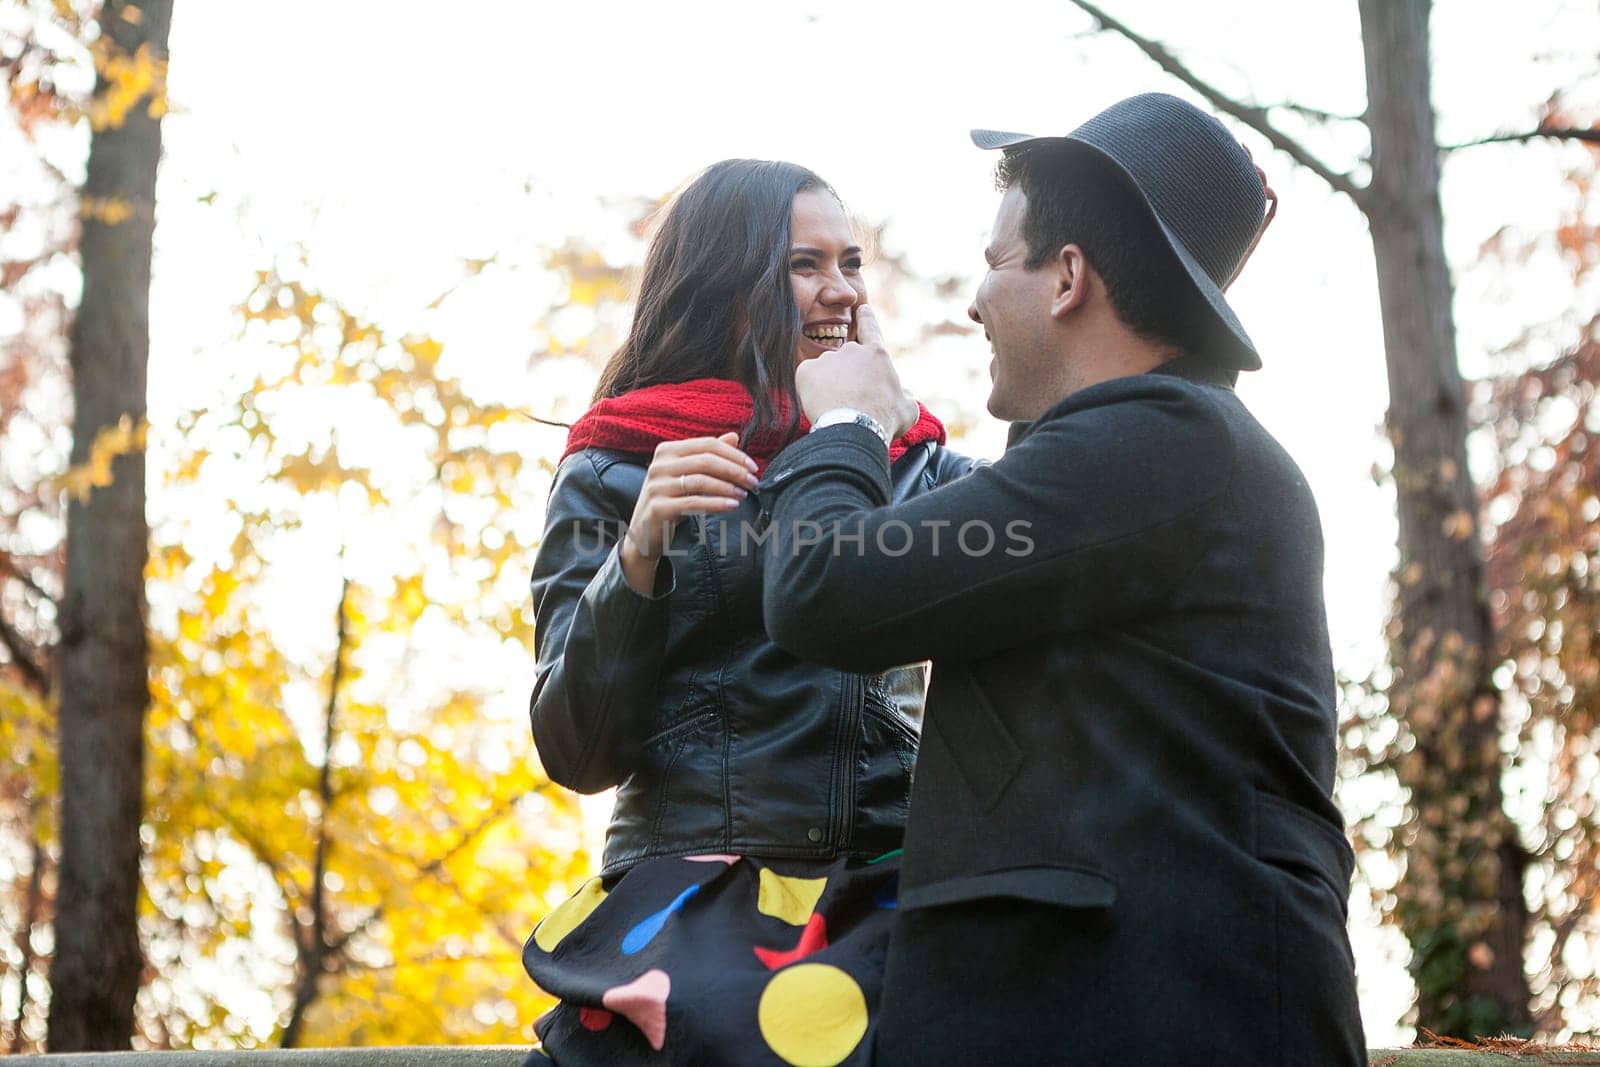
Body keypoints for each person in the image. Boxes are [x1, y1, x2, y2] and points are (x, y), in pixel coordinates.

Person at [755, 94, 1367, 1065]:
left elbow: (823, 587)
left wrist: (846, 426)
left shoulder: (1161, 445)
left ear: (1068, 276)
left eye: (997, 262)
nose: (972, 298)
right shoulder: (1134, 459)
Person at [521, 158, 974, 1066]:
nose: (840, 290)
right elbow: (575, 748)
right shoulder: (611, 468)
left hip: (889, 891)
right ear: (723, 283)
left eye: (850, 264)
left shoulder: (916, 465)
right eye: (805, 266)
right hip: (692, 904)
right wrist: (637, 551)